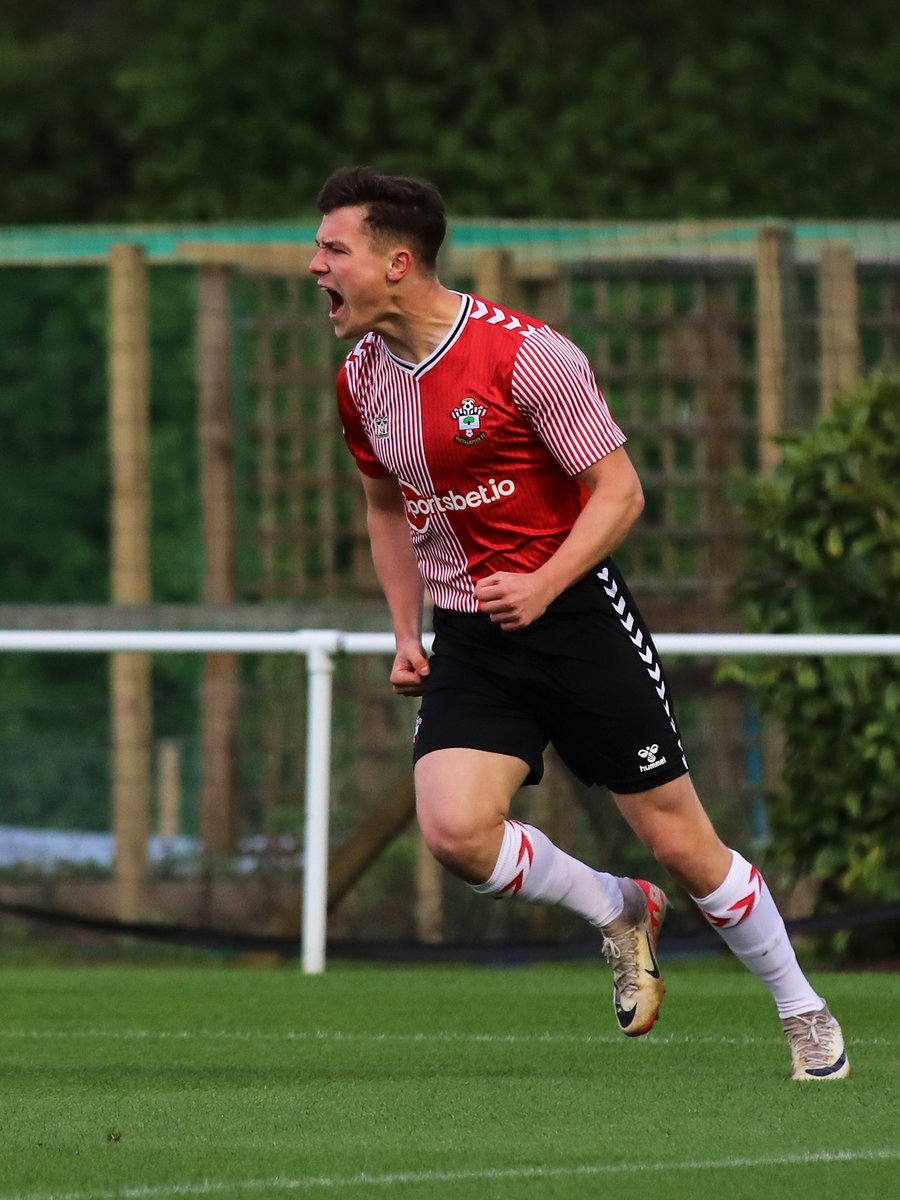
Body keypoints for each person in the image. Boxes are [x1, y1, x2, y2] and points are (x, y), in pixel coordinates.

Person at [309, 165, 849, 1081]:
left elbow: (621, 493)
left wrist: (546, 582)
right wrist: (408, 631)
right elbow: (384, 507)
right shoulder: (360, 379)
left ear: (397, 262)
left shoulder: (527, 355)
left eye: (333, 249)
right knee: (454, 832)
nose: (313, 266)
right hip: (473, 634)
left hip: (580, 622)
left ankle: (805, 1014)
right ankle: (615, 907)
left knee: (684, 843)